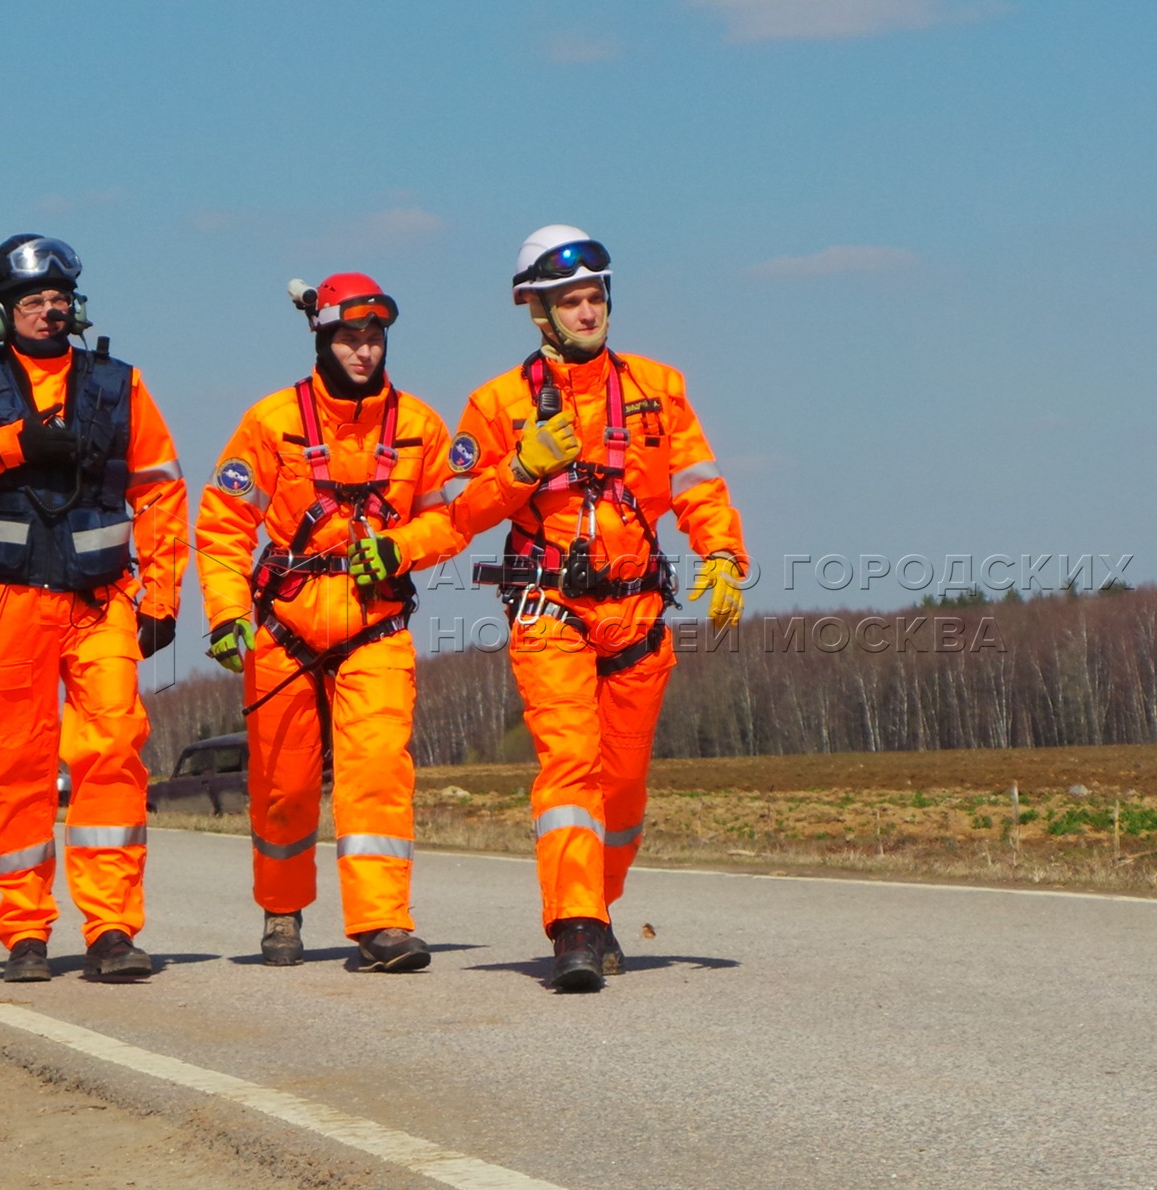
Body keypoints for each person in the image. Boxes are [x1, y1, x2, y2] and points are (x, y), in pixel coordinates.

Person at [446, 225, 748, 991]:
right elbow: (457, 510)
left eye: (594, 298)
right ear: (536, 312)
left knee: (622, 784)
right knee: (570, 768)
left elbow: (697, 484)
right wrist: (518, 469)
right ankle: (573, 927)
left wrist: (720, 555)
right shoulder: (496, 403)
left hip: (639, 615)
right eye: (570, 301)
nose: (588, 312)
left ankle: (601, 907)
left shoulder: (658, 387)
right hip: (549, 610)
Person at [0, 235, 188, 984]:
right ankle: (24, 931)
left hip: (101, 603)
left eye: (59, 299)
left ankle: (112, 930)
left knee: (112, 757)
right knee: (12, 768)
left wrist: (161, 594)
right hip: (4, 602)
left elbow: (159, 488)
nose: (49, 312)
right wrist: (9, 444)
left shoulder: (119, 385)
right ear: (1, 310)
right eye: (33, 301)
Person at [195, 273, 464, 972]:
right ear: (321, 337)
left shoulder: (419, 426)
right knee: (282, 787)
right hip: (283, 630)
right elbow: (223, 526)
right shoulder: (269, 422)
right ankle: (282, 908)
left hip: (375, 630)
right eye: (349, 337)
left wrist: (401, 547)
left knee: (375, 771)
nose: (363, 351)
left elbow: (452, 520)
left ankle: (381, 925)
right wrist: (227, 615)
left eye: (373, 337)